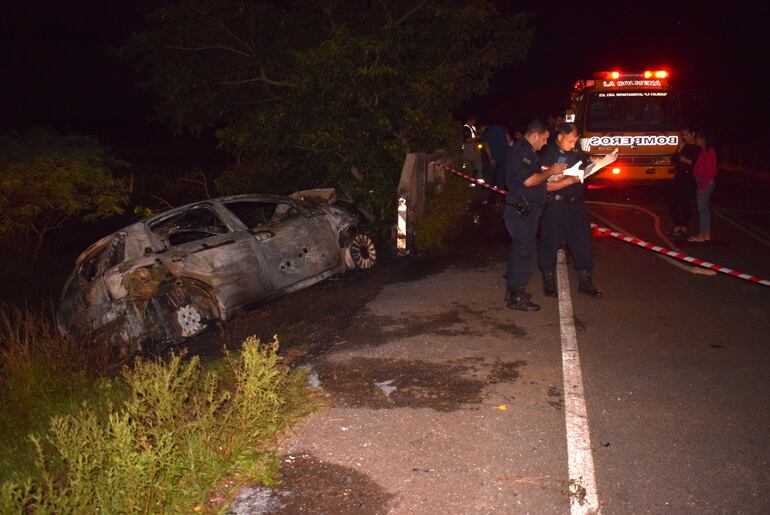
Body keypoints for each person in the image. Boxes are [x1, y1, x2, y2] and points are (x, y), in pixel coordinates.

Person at [503, 119, 566, 311]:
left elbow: (534, 179)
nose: (545, 143)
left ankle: (514, 291)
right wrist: (551, 172)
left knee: (521, 252)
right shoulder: (523, 153)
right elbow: (529, 181)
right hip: (521, 213)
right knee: (525, 254)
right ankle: (517, 297)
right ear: (535, 135)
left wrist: (550, 176)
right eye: (545, 139)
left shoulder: (528, 152)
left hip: (526, 212)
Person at [538, 123, 602, 298]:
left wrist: (592, 165)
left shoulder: (575, 152)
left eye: (576, 141)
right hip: (556, 205)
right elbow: (546, 186)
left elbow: (582, 170)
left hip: (577, 205)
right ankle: (549, 280)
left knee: (583, 241)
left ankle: (586, 281)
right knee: (550, 242)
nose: (573, 145)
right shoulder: (548, 154)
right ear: (559, 137)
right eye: (570, 141)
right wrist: (570, 181)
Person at [670, 128, 699, 238]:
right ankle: (677, 224)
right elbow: (673, 159)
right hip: (679, 175)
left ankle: (684, 226)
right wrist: (680, 148)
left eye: (686, 135)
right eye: (683, 135)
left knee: (686, 201)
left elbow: (694, 163)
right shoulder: (684, 146)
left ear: (693, 134)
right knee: (673, 201)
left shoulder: (697, 148)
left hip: (689, 177)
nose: (684, 137)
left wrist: (684, 159)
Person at [688, 132, 718, 242]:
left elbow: (710, 172)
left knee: (702, 209)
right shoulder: (703, 152)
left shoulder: (709, 152)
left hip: (705, 182)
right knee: (704, 209)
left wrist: (703, 187)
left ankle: (701, 235)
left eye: (698, 138)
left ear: (703, 139)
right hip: (701, 181)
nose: (696, 139)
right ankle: (706, 234)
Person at [479, 122, 509, 205]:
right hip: (503, 158)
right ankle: (498, 202)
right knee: (500, 181)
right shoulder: (503, 128)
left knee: (488, 179)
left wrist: (490, 157)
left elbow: (486, 145)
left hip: (493, 159)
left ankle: (485, 199)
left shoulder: (487, 132)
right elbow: (508, 140)